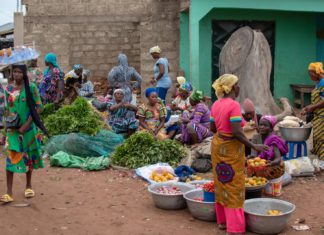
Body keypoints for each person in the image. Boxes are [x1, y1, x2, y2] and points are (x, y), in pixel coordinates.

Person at [210, 74, 268, 235]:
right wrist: (253, 145)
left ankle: (222, 221)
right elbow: (236, 131)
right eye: (238, 84)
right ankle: (234, 228)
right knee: (234, 186)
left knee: (221, 182)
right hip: (231, 149)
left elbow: (212, 128)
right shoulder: (234, 105)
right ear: (232, 87)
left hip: (218, 146)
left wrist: (224, 130)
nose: (239, 87)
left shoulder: (216, 104)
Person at [1, 64, 46, 203]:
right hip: (13, 130)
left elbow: (39, 107)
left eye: (20, 72)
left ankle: (28, 186)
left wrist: (26, 125)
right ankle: (9, 192)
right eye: (14, 72)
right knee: (11, 157)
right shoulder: (8, 88)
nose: (17, 74)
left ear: (24, 74)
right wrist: (7, 126)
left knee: (28, 156)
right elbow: (7, 109)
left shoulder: (31, 87)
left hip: (28, 129)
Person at [302, 62, 324, 159]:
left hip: (322, 117)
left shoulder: (323, 83)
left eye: (311, 75)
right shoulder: (318, 83)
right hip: (318, 115)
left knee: (321, 139)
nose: (310, 77)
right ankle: (319, 159)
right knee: (317, 138)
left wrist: (313, 107)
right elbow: (318, 100)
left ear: (316, 73)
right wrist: (308, 108)